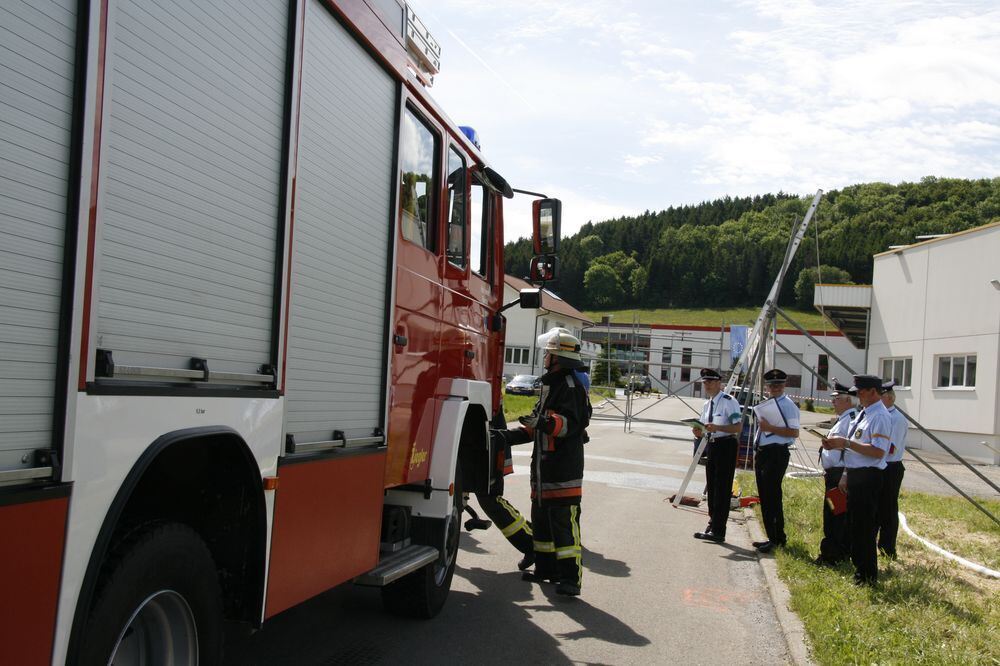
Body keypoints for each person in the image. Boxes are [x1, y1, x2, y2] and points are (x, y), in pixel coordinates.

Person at [503, 328, 592, 597]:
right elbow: (535, 428)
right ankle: (545, 570)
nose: (544, 357)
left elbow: (570, 425)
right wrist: (503, 437)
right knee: (541, 523)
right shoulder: (549, 386)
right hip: (542, 471)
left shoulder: (571, 388)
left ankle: (570, 579)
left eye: (548, 353)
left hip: (563, 470)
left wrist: (542, 422)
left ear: (558, 358)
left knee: (564, 527)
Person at [822, 374, 891, 586]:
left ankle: (867, 575)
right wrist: (845, 474)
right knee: (854, 526)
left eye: (860, 392)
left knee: (864, 528)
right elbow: (852, 449)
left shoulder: (879, 416)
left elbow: (879, 451)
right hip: (855, 475)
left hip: (868, 477)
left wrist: (845, 443)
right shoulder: (864, 414)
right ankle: (859, 569)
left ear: (873, 391)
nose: (857, 396)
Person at [691, 368, 743, 543]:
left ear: (719, 383)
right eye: (705, 382)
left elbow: (737, 428)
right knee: (712, 489)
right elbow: (705, 427)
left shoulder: (729, 401)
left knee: (722, 489)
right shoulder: (707, 405)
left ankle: (719, 530)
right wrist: (698, 431)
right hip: (712, 445)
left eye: (711, 382)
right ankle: (713, 524)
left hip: (726, 445)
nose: (707, 385)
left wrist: (718, 428)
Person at [752, 369, 800, 554]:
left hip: (776, 453)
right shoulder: (769, 403)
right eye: (772, 385)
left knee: (772, 496)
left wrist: (770, 427)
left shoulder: (787, 405)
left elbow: (794, 432)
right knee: (765, 496)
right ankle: (771, 536)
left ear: (784, 385)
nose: (775, 388)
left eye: (778, 385)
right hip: (765, 452)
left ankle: (777, 538)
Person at [815, 381, 857, 566]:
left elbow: (850, 450)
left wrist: (844, 476)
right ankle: (832, 552)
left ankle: (834, 555)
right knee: (832, 513)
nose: (833, 402)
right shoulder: (843, 419)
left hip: (838, 475)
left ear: (848, 400)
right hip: (833, 474)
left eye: (837, 399)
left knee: (836, 516)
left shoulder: (850, 420)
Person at [877, 381, 908, 559]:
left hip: (891, 467)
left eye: (880, 396)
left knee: (888, 509)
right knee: (876, 508)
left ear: (888, 398)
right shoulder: (883, 415)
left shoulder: (895, 419)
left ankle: (888, 548)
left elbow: (891, 448)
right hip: (881, 465)